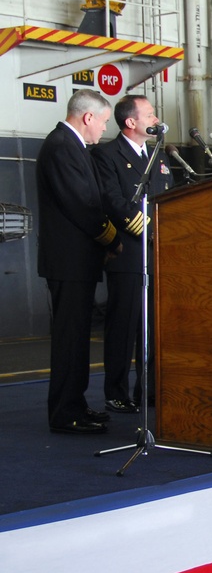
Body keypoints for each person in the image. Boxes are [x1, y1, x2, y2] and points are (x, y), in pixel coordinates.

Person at [35, 89, 122, 434]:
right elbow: (82, 206)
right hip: (68, 262)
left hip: (78, 261)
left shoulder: (73, 147)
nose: (103, 129)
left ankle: (76, 403)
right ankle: (65, 412)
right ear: (88, 117)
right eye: (102, 122)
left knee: (77, 338)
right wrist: (112, 238)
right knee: (69, 340)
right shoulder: (61, 147)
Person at [92, 94, 173, 414]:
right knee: (124, 326)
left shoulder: (159, 157)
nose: (155, 120)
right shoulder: (106, 154)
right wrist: (149, 228)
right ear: (131, 122)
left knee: (154, 329)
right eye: (150, 115)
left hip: (160, 255)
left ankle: (148, 390)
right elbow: (111, 198)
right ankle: (116, 391)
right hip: (128, 251)